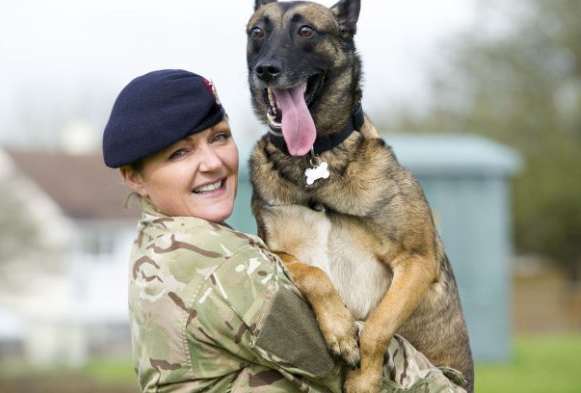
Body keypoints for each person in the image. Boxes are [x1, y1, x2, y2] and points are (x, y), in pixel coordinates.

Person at [102, 69, 468, 392]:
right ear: (134, 178)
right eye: (179, 154)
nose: (213, 163)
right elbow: (342, 362)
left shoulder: (158, 244)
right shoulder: (220, 265)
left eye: (218, 137)